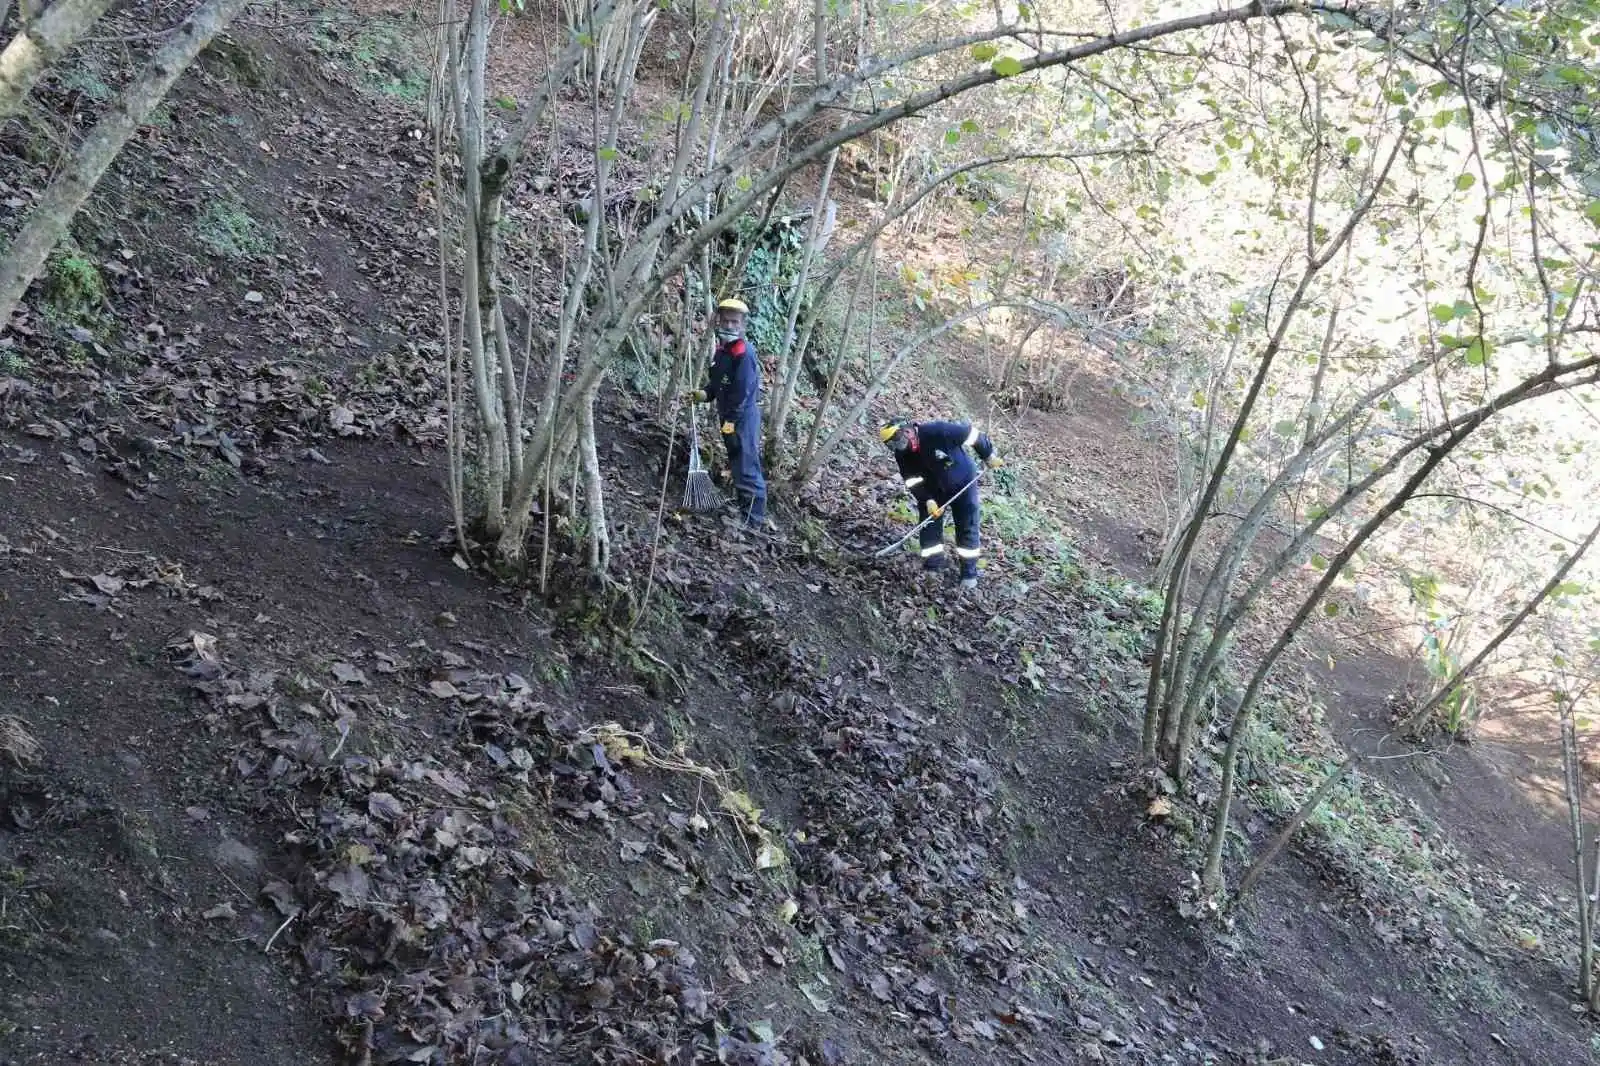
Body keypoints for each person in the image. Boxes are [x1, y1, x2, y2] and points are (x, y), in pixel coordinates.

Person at [879, 416, 1003, 589]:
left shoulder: (937, 431)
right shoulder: (902, 455)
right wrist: (926, 499)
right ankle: (933, 566)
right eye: (891, 445)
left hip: (963, 483)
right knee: (929, 524)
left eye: (896, 441)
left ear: (907, 431)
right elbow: (912, 480)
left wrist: (988, 455)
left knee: (967, 524)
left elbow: (973, 435)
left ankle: (968, 574)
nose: (896, 447)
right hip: (933, 490)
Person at [686, 298, 767, 529]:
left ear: (742, 325)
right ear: (718, 321)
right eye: (726, 321)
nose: (730, 326)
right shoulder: (723, 351)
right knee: (737, 464)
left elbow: (742, 392)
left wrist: (731, 422)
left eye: (735, 322)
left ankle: (754, 523)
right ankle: (744, 511)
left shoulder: (744, 354)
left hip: (742, 420)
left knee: (747, 467)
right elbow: (717, 384)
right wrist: (703, 394)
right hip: (729, 419)